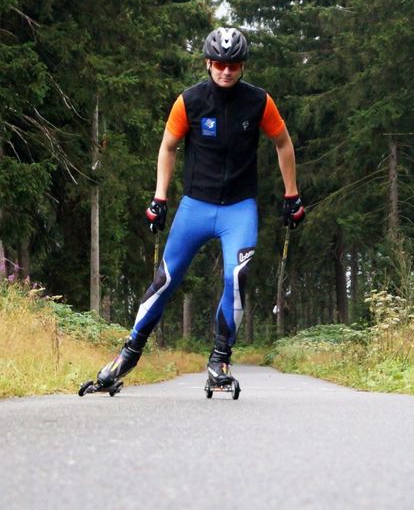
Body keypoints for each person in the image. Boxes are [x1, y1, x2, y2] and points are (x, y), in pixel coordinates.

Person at [90, 27, 305, 393]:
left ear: (242, 66)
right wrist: (160, 198)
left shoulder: (259, 102)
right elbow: (168, 147)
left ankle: (220, 359)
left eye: (233, 65)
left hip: (239, 208)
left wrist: (292, 194)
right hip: (195, 206)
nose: (226, 71)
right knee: (165, 280)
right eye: (219, 63)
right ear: (208, 63)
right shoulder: (188, 101)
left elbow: (283, 143)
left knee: (236, 278)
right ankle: (128, 354)